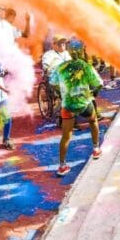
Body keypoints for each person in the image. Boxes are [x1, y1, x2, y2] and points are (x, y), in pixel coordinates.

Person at [50, 40, 103, 177]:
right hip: (84, 103)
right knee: (93, 121)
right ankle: (96, 149)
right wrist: (93, 94)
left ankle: (62, 166)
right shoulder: (86, 66)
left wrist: (61, 93)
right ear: (81, 51)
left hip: (68, 105)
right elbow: (99, 84)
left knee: (66, 135)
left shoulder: (61, 67)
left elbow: (52, 83)